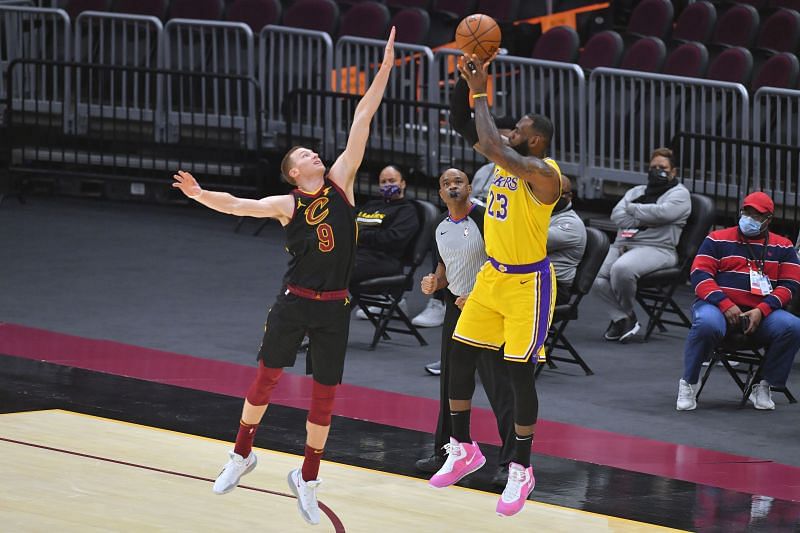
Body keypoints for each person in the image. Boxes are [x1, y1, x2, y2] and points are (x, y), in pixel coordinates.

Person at [171, 29, 396, 526]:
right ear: (293, 173)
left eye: (314, 153)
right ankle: (242, 454)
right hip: (294, 300)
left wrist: (383, 71)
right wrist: (199, 195)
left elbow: (362, 120)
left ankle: (308, 477)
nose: (314, 155)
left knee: (325, 395)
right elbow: (236, 205)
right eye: (304, 157)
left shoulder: (342, 183)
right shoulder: (287, 204)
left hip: (335, 305)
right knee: (265, 379)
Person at [429, 53, 562, 517]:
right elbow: (467, 126)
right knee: (458, 355)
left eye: (519, 128)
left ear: (536, 139)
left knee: (517, 374)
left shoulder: (544, 174)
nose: (510, 130)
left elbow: (492, 144)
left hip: (530, 284)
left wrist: (483, 91)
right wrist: (462, 82)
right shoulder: (509, 154)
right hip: (494, 276)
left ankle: (521, 468)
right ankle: (464, 447)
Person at [415, 168, 515, 487]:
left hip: (486, 310)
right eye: (446, 184)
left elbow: (503, 264)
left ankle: (512, 463)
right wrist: (435, 281)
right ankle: (448, 451)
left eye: (458, 182)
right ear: (441, 194)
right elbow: (445, 267)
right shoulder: (441, 227)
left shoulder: (485, 218)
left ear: (469, 188)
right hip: (455, 309)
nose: (453, 186)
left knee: (498, 385)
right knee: (452, 384)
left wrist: (477, 295)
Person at [676, 192, 800, 411]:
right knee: (706, 323)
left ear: (768, 219)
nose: (749, 218)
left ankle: (763, 383)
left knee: (792, 326)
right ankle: (689, 382)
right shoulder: (717, 238)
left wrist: (761, 310)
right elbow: (699, 274)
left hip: (762, 314)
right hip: (717, 307)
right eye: (746, 212)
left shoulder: (785, 247)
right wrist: (724, 303)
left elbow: (790, 286)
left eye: (756, 215)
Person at [593, 147, 691, 342]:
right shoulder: (637, 191)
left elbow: (664, 213)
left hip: (658, 249)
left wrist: (633, 209)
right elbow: (617, 216)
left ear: (673, 172)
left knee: (622, 269)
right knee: (593, 274)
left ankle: (625, 314)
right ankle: (624, 317)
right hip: (623, 244)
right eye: (653, 167)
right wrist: (647, 217)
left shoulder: (680, 194)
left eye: (662, 167)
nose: (657, 171)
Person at [547, 175, 586, 305]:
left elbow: (529, 241)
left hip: (554, 287)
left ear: (569, 196)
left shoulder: (571, 225)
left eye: (558, 193)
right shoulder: (544, 214)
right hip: (530, 279)